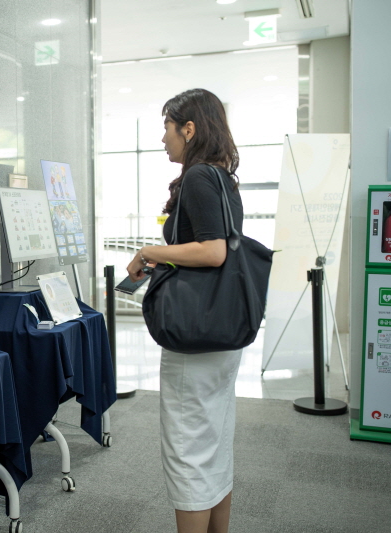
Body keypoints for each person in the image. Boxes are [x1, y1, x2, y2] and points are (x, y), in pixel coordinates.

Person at [126, 88, 243, 533]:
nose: (163, 139)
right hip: (223, 328)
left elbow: (213, 252)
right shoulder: (222, 178)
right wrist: (168, 254)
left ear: (188, 129)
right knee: (214, 446)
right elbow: (217, 249)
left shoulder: (197, 178)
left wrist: (150, 249)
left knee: (188, 452)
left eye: (167, 129)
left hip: (194, 339)